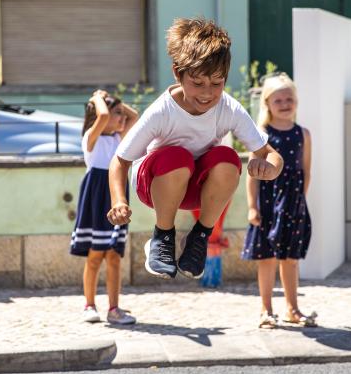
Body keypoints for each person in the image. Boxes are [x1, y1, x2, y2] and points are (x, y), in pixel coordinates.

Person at [108, 17, 284, 280]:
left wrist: (270, 169)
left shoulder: (229, 108)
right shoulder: (162, 111)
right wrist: (119, 201)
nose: (207, 93)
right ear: (178, 74)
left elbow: (271, 154)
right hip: (155, 184)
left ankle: (200, 237)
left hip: (195, 189)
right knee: (178, 157)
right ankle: (162, 237)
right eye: (198, 83)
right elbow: (120, 160)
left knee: (228, 157)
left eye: (217, 83)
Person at [242, 73, 316, 329]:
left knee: (291, 259)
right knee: (267, 258)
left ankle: (292, 309)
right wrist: (252, 206)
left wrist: (300, 204)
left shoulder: (303, 134)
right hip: (267, 202)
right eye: (279, 100)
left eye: (289, 99)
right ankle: (265, 309)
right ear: (267, 104)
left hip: (293, 203)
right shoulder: (260, 134)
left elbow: (305, 172)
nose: (285, 104)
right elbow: (252, 175)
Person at [71, 90, 139, 324]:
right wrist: (97, 98)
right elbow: (101, 117)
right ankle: (89, 305)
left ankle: (113, 308)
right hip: (95, 197)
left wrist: (116, 102)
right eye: (116, 114)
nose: (122, 118)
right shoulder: (92, 136)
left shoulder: (119, 140)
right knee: (94, 255)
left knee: (114, 256)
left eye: (121, 114)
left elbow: (135, 117)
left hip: (115, 196)